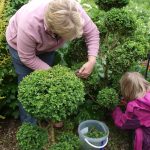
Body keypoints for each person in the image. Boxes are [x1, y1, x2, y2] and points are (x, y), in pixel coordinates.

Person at [6, 0, 100, 124]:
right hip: (20, 48)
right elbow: (27, 57)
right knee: (27, 88)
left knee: (47, 82)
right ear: (52, 29)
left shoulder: (71, 11)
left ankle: (48, 114)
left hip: (46, 47)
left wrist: (92, 60)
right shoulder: (30, 23)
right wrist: (55, 75)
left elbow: (92, 32)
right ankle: (30, 127)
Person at [112, 72, 150, 150]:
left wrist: (115, 110)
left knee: (138, 132)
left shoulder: (135, 108)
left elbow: (123, 123)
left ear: (126, 91)